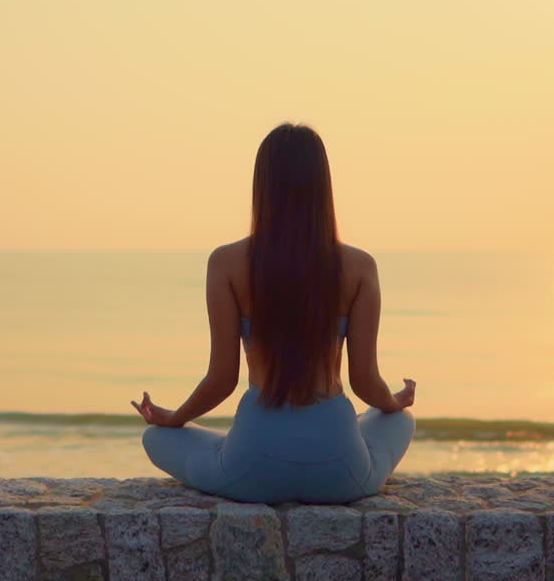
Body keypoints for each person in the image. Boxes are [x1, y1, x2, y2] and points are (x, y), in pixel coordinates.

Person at [131, 122, 416, 504]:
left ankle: (231, 448)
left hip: (253, 466)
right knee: (398, 421)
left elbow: (222, 379)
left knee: (156, 437)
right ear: (322, 187)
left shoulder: (226, 263)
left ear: (261, 186)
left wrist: (175, 417)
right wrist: (395, 401)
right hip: (340, 472)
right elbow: (365, 383)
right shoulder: (360, 267)